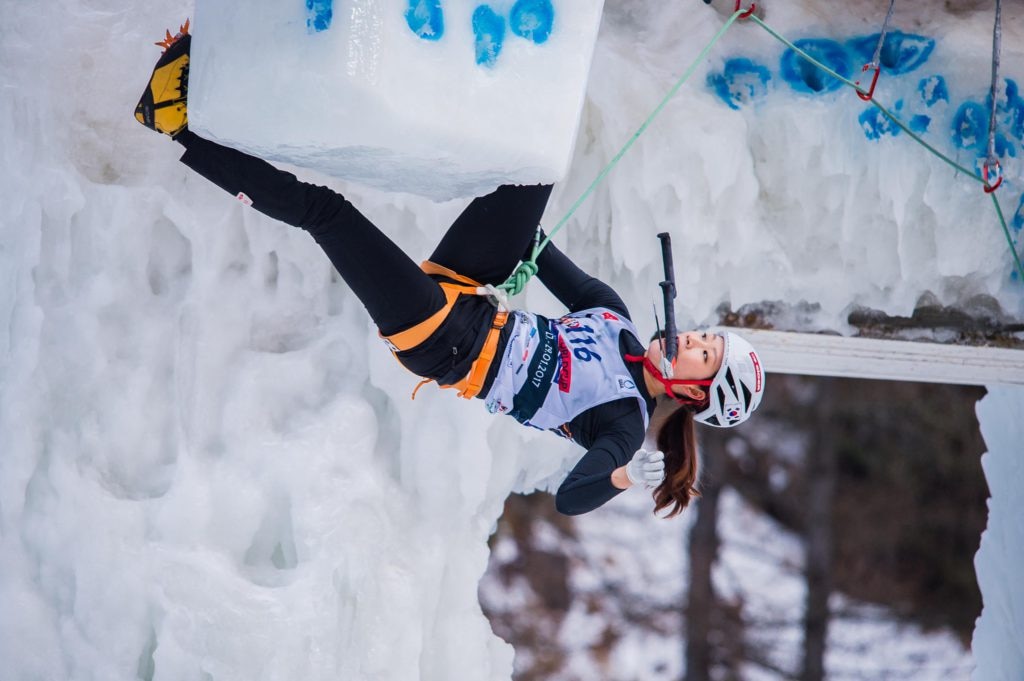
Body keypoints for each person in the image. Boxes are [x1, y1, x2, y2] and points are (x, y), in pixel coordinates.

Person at [135, 25, 765, 517]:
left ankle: (179, 122)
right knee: (536, 166)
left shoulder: (623, 423)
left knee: (326, 213)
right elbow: (533, 248)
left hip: (441, 340)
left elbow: (572, 498)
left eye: (703, 359)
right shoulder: (613, 317)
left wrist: (627, 474)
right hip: (464, 292)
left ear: (691, 395)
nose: (693, 343)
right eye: (706, 337)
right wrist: (517, 216)